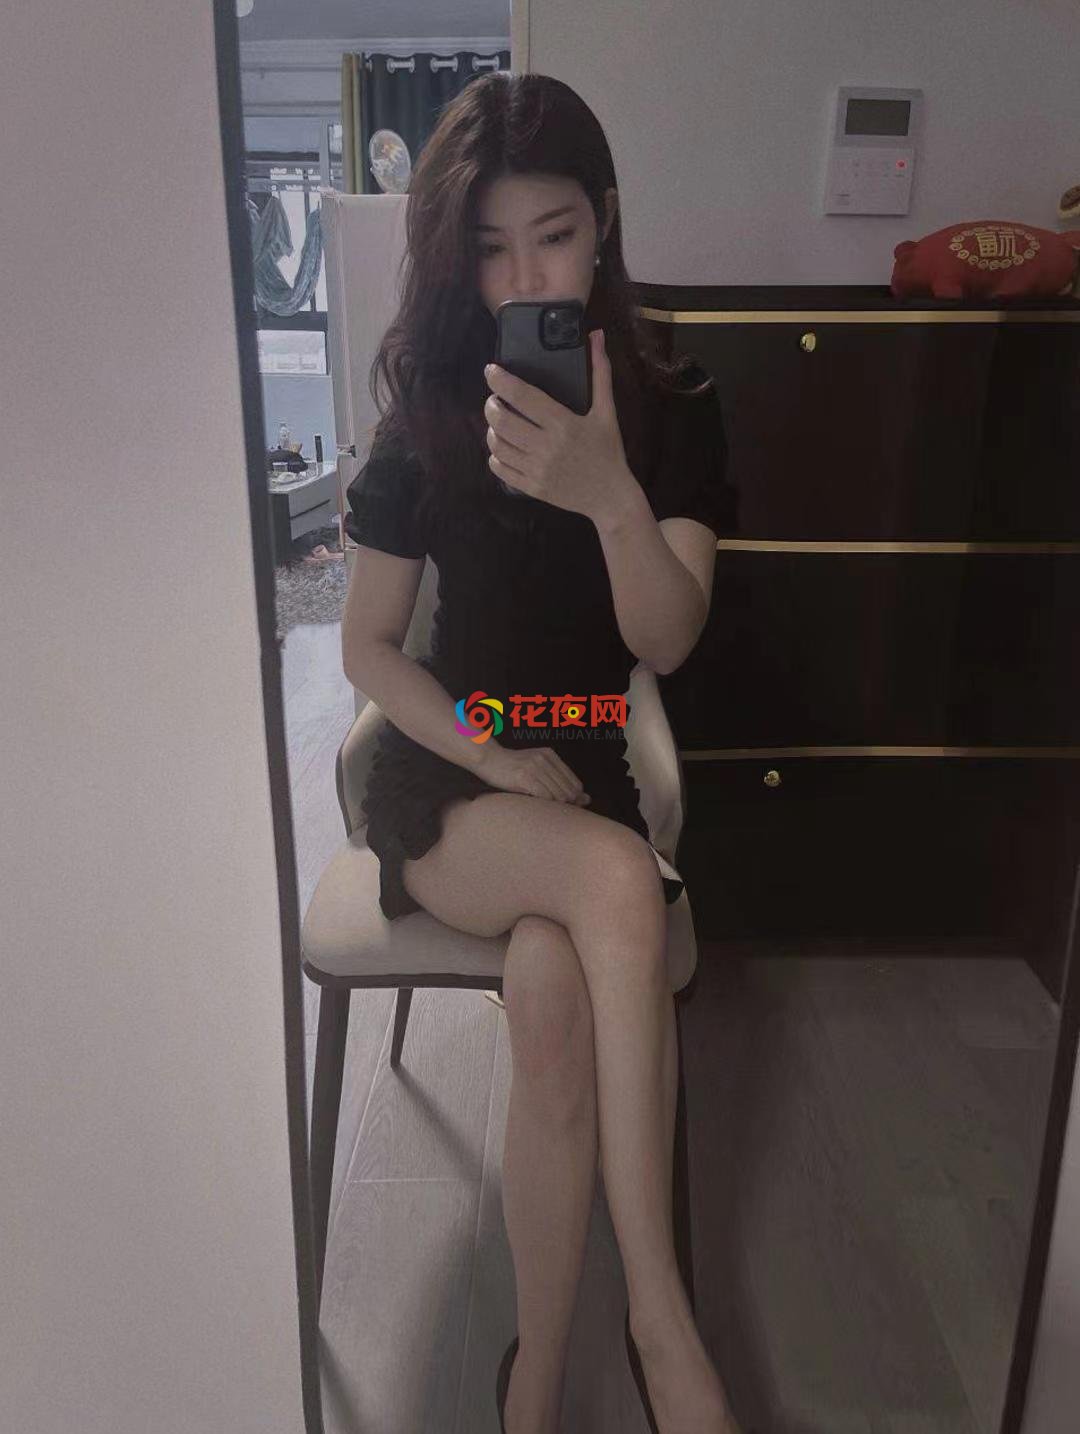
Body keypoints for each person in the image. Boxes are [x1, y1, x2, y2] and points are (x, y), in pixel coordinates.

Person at [340, 71, 742, 1434]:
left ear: (605, 221)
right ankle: (662, 1323)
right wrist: (494, 757)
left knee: (553, 991)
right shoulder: (431, 403)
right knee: (618, 881)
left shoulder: (673, 398)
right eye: (493, 248)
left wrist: (608, 492)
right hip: (456, 778)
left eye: (555, 236)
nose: (526, 277)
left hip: (588, 766)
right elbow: (369, 649)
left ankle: (535, 1387)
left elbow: (666, 637)